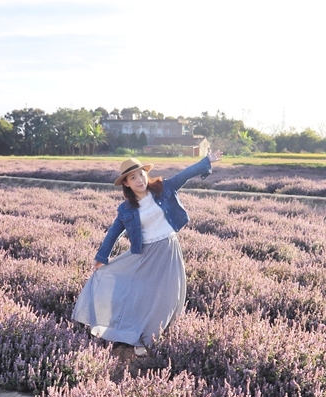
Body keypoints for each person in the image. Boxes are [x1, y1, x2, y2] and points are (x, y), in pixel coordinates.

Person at [72, 150, 223, 356]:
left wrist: (207, 161)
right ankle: (136, 335)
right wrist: (101, 258)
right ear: (126, 183)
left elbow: (184, 174)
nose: (139, 179)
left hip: (168, 250)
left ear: (146, 174)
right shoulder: (126, 209)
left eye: (141, 174)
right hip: (145, 254)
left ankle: (149, 338)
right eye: (132, 177)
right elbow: (113, 233)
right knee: (140, 294)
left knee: (167, 296)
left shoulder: (163, 189)